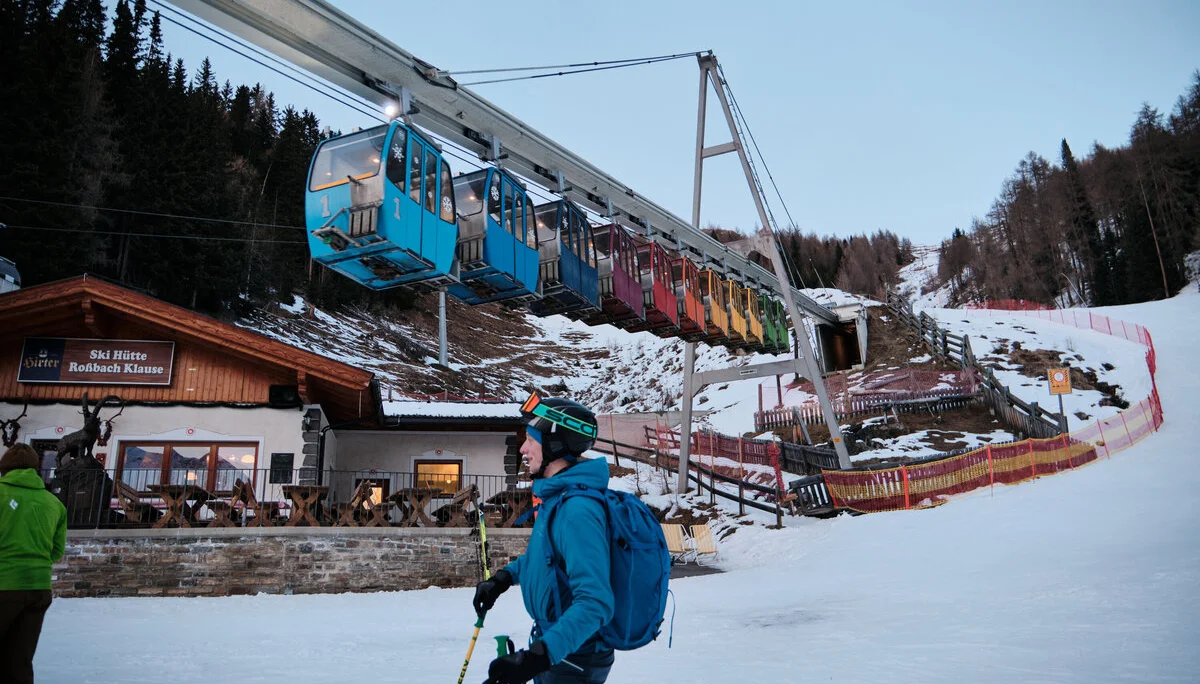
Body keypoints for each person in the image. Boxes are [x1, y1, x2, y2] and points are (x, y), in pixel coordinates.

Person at [473, 393, 614, 684]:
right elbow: (546, 559)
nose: (523, 448)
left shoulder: (577, 511)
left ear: (555, 445)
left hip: (573, 656)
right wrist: (502, 579)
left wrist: (538, 657)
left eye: (530, 439)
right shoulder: (557, 500)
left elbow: (595, 602)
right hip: (557, 645)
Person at [0, 443, 67, 684]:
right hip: (38, 588)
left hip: (3, 584)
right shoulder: (53, 503)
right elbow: (57, 551)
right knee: (19, 661)